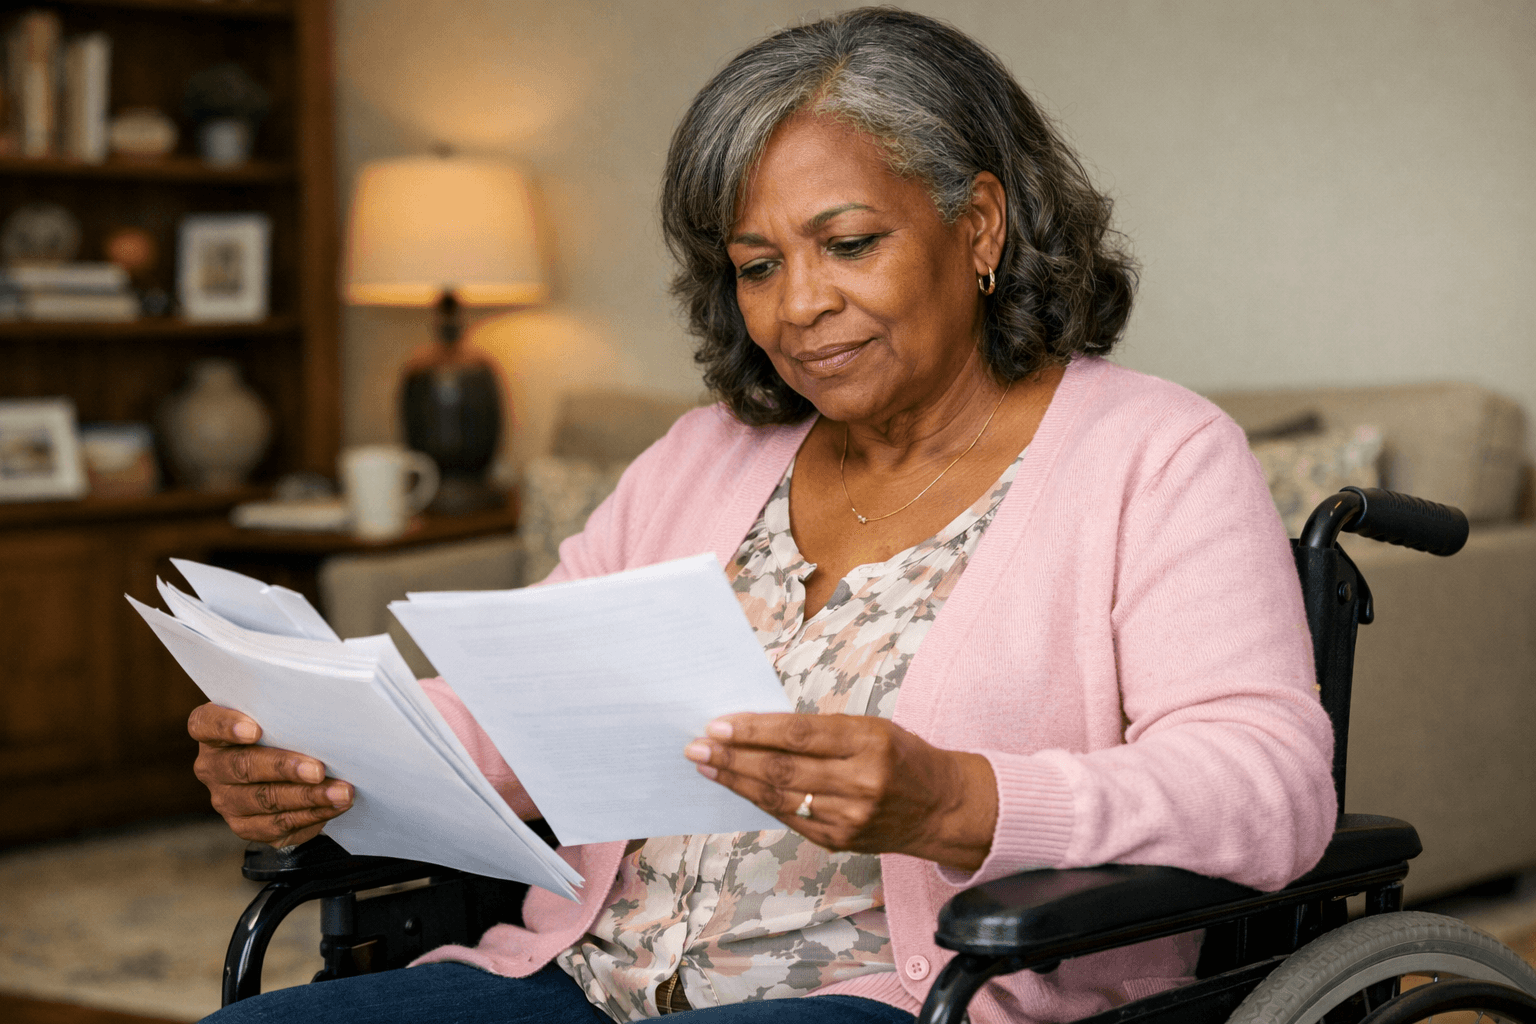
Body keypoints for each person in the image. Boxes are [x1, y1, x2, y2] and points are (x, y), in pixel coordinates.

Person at [192, 9, 1335, 1023]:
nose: (798, 308)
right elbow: (525, 709)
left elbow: (1268, 787)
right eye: (755, 264)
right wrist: (328, 758)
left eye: (849, 245)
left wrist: (960, 800)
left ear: (978, 228)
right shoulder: (704, 456)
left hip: (905, 995)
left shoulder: (1156, 454)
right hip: (585, 980)